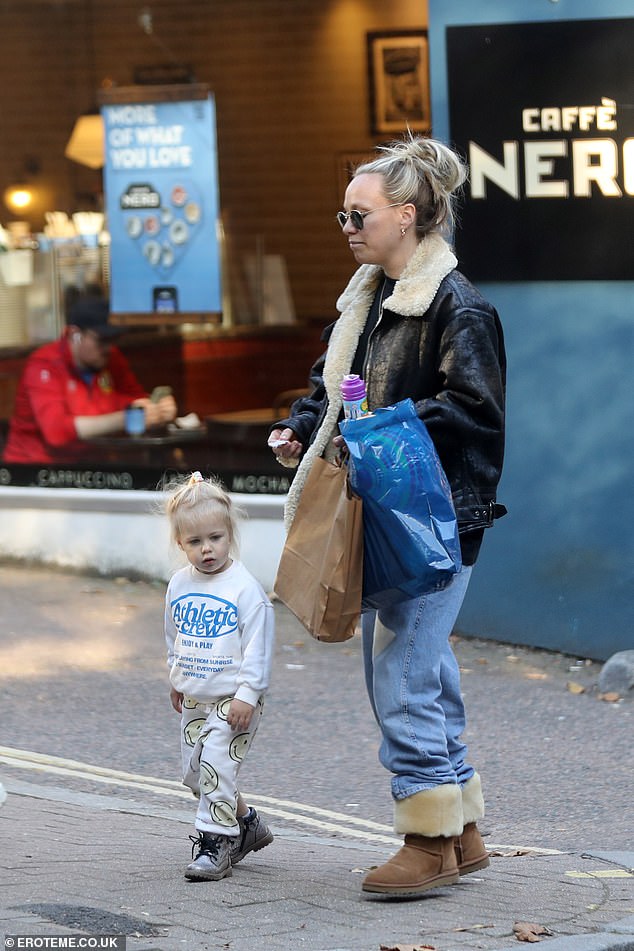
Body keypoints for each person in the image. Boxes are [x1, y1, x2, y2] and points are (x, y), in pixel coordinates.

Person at [269, 134, 506, 897]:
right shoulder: (366, 300)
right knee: (424, 665)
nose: (346, 225)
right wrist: (304, 425)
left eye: (359, 213)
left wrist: (383, 427)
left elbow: (477, 412)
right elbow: (334, 385)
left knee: (400, 672)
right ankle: (462, 827)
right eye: (343, 213)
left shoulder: (458, 305)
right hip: (385, 513)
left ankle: (426, 836)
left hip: (435, 520)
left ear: (407, 216)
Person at [163, 471, 275, 882]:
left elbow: (258, 650)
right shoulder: (179, 584)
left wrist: (248, 694)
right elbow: (174, 634)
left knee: (215, 764)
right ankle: (247, 824)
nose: (207, 549)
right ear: (181, 544)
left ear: (230, 534)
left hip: (234, 697)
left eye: (215, 538)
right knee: (196, 772)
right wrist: (177, 676)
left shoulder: (245, 590)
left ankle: (216, 844)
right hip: (195, 695)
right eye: (195, 542)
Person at [2, 294, 177, 463]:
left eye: (113, 339)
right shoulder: (44, 365)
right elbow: (57, 433)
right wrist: (125, 418)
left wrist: (157, 410)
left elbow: (136, 401)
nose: (108, 347)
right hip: (34, 471)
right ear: (74, 334)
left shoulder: (111, 358)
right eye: (102, 340)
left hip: (92, 465)